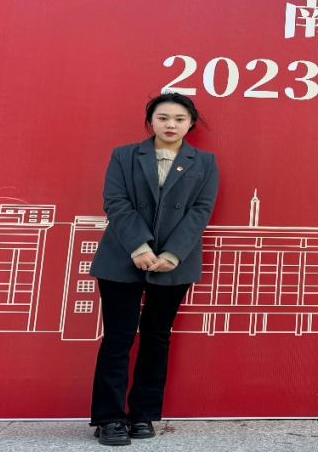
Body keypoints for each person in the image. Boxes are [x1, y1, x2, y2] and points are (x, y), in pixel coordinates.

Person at [88, 93, 219, 446]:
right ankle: (109, 418)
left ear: (191, 123)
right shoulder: (125, 155)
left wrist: (174, 253)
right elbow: (116, 202)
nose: (171, 124)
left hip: (174, 262)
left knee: (157, 338)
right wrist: (139, 246)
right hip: (122, 257)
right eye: (163, 118)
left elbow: (201, 211)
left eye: (179, 118)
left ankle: (142, 415)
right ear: (151, 122)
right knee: (118, 338)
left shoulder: (205, 162)